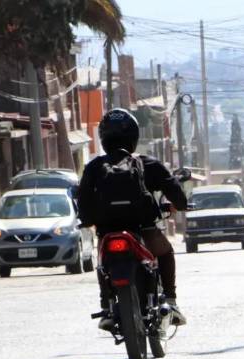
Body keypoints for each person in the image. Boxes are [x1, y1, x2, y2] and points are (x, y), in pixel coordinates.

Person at [77, 108, 189, 331]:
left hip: (108, 232)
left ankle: (107, 306)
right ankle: (171, 302)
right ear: (134, 136)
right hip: (143, 228)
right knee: (165, 253)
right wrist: (178, 205)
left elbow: (84, 203)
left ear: (104, 137)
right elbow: (177, 194)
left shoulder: (94, 167)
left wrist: (89, 220)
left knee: (103, 266)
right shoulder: (148, 164)